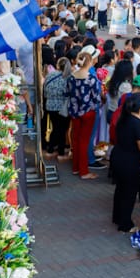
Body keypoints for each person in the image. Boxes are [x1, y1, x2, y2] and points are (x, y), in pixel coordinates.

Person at [111, 93, 140, 232]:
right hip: (130, 162)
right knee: (129, 193)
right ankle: (125, 224)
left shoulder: (124, 118)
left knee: (120, 189)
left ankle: (117, 217)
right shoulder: (137, 124)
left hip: (118, 157)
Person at [67, 49, 101, 180]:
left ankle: (76, 167)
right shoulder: (91, 79)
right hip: (88, 112)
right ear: (89, 62)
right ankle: (83, 171)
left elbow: (68, 92)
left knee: (75, 138)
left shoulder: (71, 77)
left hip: (74, 111)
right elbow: (96, 97)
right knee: (84, 141)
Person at [43, 57, 72, 161]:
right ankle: (60, 153)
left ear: (58, 65)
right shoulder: (68, 77)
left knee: (54, 128)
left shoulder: (50, 75)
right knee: (62, 129)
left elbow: (45, 91)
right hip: (63, 107)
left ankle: (50, 150)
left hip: (50, 105)